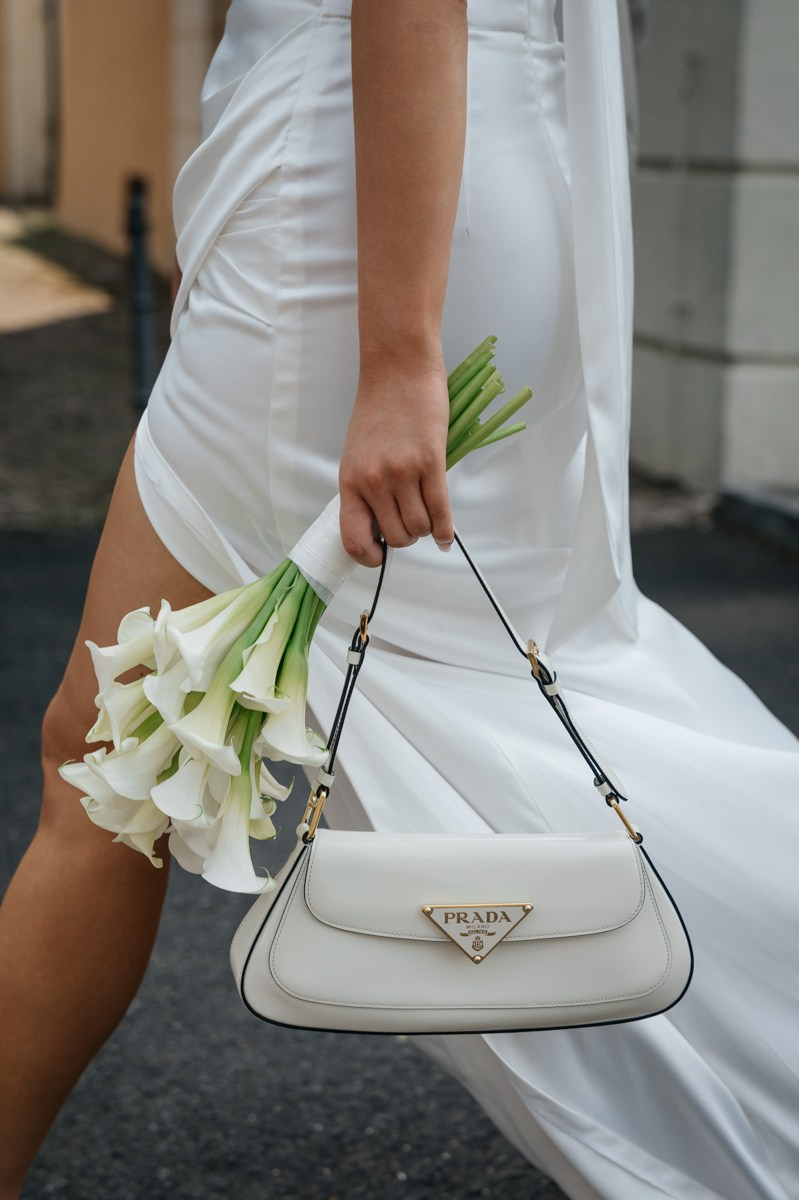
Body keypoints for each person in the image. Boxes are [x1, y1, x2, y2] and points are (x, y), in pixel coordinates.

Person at [1, 1, 798, 1197]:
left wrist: (397, 358)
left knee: (108, 754)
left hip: (354, 210)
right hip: (465, 168)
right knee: (527, 696)